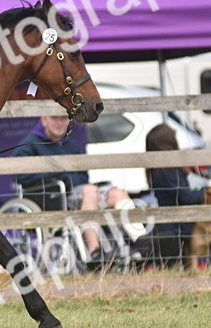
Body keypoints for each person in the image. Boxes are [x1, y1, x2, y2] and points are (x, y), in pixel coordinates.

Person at [9, 113, 139, 267]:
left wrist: (74, 181)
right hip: (52, 196)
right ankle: (94, 251)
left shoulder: (71, 145)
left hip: (81, 193)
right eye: (54, 118)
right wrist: (54, 176)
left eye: (63, 118)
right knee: (90, 191)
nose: (59, 122)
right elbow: (19, 176)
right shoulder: (29, 144)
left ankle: (140, 243)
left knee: (118, 194)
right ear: (44, 120)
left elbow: (83, 175)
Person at [143, 123, 211, 268]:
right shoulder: (166, 170)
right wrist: (208, 190)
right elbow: (186, 197)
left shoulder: (163, 168)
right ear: (167, 143)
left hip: (173, 226)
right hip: (176, 228)